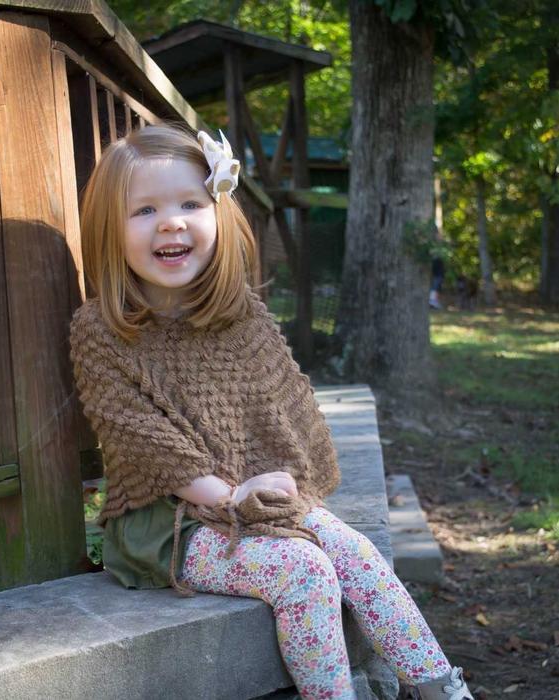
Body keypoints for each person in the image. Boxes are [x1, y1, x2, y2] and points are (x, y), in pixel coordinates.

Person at [68, 123, 473, 700]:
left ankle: (441, 689)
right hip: (169, 527)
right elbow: (147, 443)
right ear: (110, 230)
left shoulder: (240, 316)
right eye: (145, 210)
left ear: (218, 212)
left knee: (354, 550)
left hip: (255, 501)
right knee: (304, 572)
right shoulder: (102, 332)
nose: (171, 222)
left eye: (190, 203)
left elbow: (282, 408)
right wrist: (235, 497)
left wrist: (283, 492)